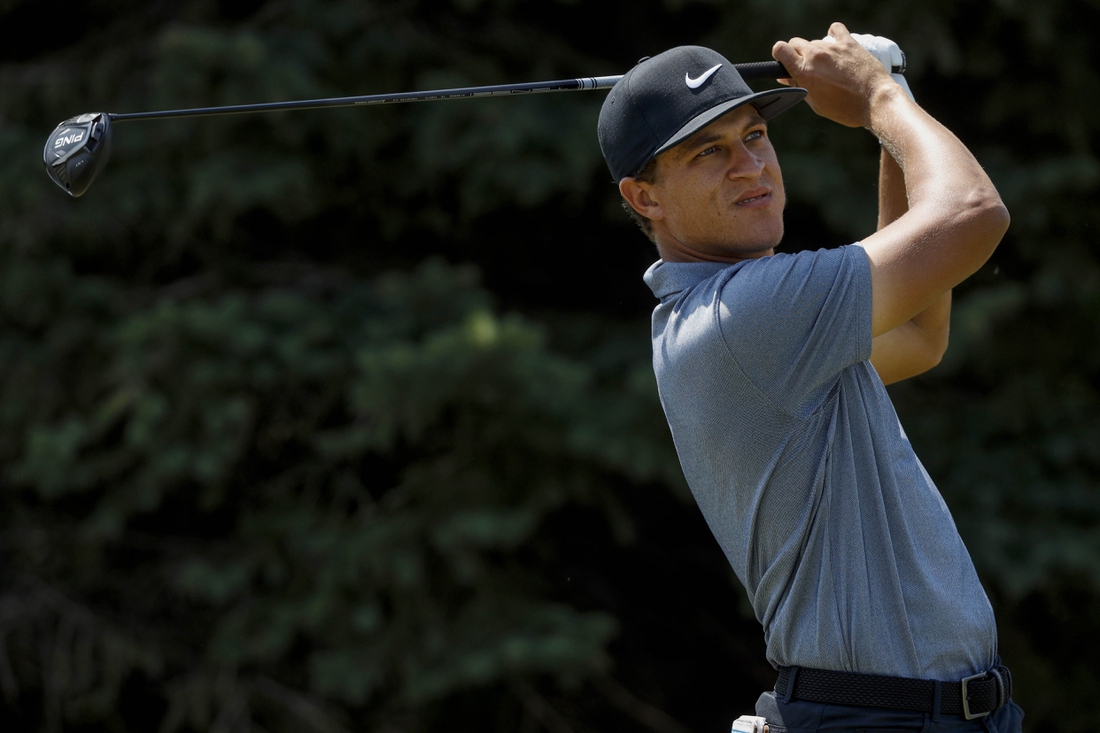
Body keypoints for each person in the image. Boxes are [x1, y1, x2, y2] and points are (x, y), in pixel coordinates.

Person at [596, 23, 1024, 733]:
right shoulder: (745, 315)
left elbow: (918, 335)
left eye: (754, 137)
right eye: (709, 152)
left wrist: (891, 100)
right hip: (878, 720)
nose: (749, 166)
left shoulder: (745, 319)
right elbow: (974, 216)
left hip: (931, 714)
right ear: (645, 199)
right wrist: (879, 95)